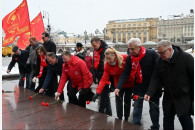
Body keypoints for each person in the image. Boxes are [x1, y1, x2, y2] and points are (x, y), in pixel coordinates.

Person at [144, 40, 194, 130]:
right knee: (167, 121)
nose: (160, 55)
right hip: (168, 97)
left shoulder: (186, 58)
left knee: (185, 120)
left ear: (170, 50)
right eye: (158, 52)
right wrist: (149, 93)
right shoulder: (159, 60)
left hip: (183, 97)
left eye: (162, 52)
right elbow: (155, 78)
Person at [115, 38, 161, 130]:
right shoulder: (130, 58)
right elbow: (125, 73)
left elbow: (160, 69)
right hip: (139, 86)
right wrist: (118, 87)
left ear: (139, 47)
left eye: (132, 49)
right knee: (137, 106)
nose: (130, 51)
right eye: (129, 49)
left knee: (153, 108)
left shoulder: (151, 54)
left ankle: (155, 126)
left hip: (152, 86)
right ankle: (135, 126)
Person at [92, 47, 134, 121]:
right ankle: (119, 118)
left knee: (127, 101)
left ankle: (126, 118)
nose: (108, 61)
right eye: (106, 59)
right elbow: (103, 80)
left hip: (129, 83)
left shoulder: (124, 59)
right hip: (118, 85)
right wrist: (98, 93)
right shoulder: (107, 66)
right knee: (118, 101)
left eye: (109, 58)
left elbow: (134, 69)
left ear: (114, 56)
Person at [91, 37, 112, 116]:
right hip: (99, 75)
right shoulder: (95, 51)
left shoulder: (106, 50)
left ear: (99, 43)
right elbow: (94, 63)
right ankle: (108, 112)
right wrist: (94, 75)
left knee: (104, 95)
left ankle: (102, 112)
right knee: (104, 95)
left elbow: (107, 64)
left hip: (105, 75)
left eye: (94, 45)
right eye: (93, 46)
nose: (94, 47)